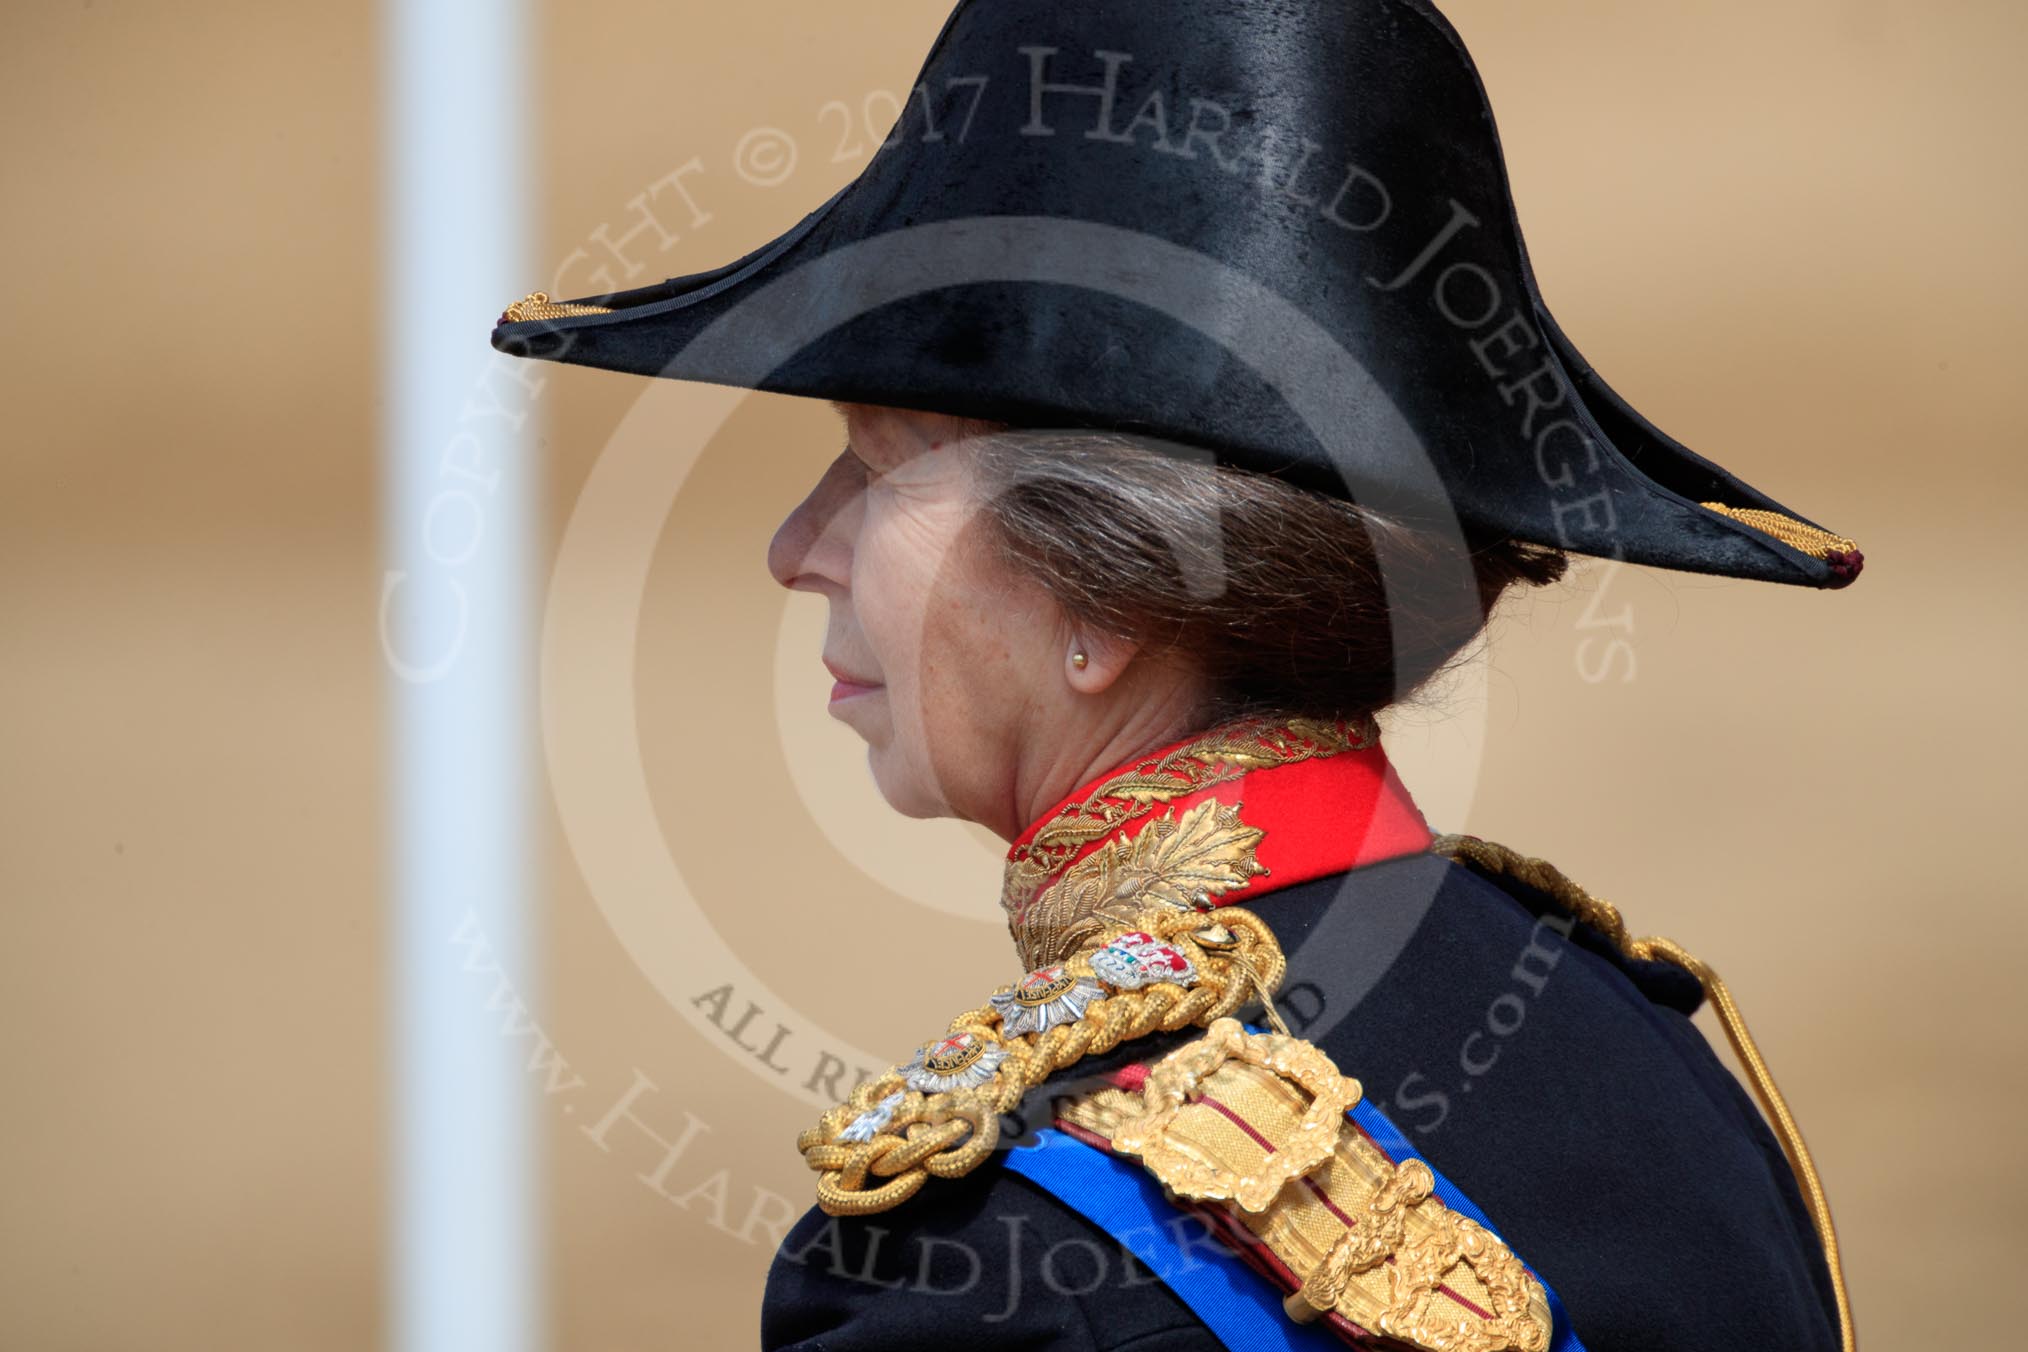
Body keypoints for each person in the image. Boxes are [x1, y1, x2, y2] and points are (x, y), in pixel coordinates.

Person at [492, 2, 1860, 1348]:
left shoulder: (1009, 1271)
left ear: (1106, 592)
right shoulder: (1644, 1045)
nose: (799, 547)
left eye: (875, 469)